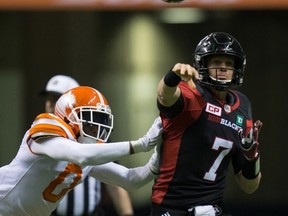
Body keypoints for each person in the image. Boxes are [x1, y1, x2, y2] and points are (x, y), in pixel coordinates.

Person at [0, 85, 163, 216]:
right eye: (90, 121)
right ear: (68, 116)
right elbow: (79, 155)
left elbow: (130, 179)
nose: (96, 129)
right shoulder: (47, 127)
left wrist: (156, 161)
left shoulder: (86, 152)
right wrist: (141, 144)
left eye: (101, 120)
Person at [151, 32, 263, 216]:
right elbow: (165, 96)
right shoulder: (193, 93)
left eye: (228, 63)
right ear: (203, 65)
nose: (223, 68)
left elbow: (249, 187)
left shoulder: (242, 106)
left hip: (212, 209)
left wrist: (252, 159)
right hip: (172, 208)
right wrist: (172, 76)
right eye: (216, 62)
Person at [39, 75, 134, 216]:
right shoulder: (42, 137)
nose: (50, 103)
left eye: (57, 98)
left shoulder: (94, 137)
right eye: (49, 98)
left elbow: (115, 182)